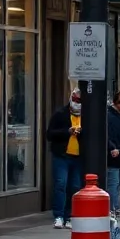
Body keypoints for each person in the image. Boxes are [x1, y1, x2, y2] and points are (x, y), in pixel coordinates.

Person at [46, 90, 84, 228]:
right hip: (62, 155)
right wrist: (67, 132)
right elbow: (50, 134)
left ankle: (70, 216)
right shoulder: (60, 114)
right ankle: (59, 216)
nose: (77, 104)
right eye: (75, 100)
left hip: (77, 157)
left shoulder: (86, 116)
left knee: (74, 187)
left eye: (80, 102)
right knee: (60, 184)